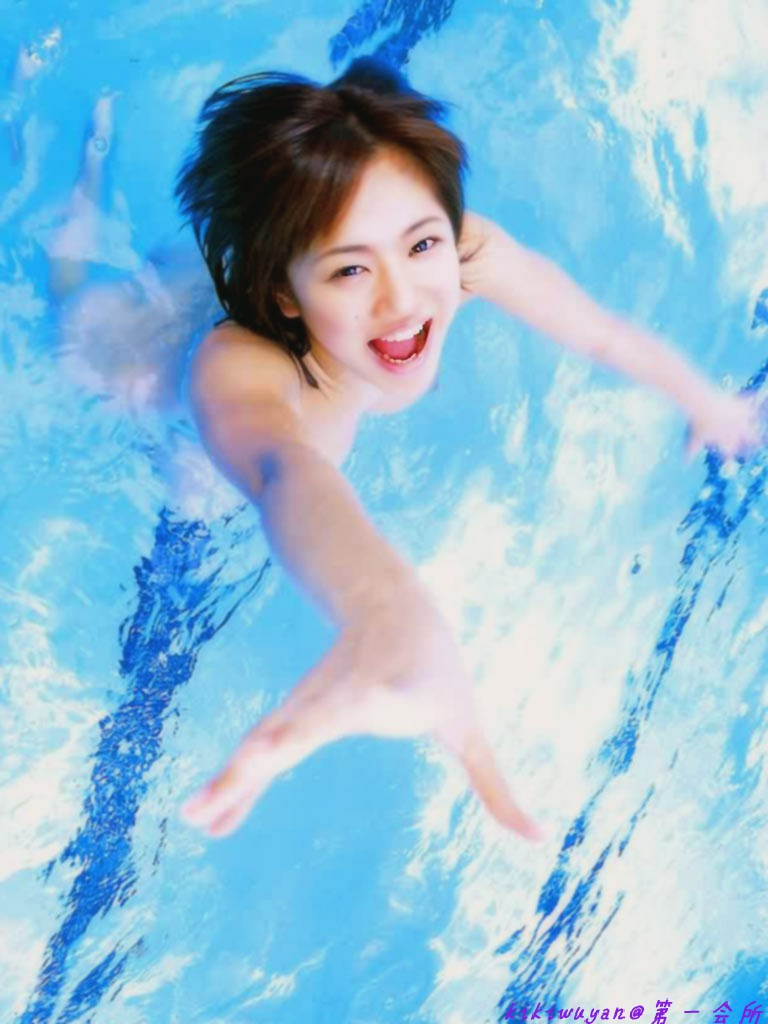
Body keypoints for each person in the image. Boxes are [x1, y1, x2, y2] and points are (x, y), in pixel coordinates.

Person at [174, 57, 763, 842]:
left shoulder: (459, 254)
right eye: (350, 269)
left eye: (420, 244)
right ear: (284, 294)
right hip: (143, 360)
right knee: (192, 492)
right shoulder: (241, 370)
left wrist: (703, 399)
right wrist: (385, 610)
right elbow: (287, 470)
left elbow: (595, 331)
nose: (402, 299)